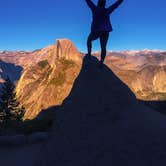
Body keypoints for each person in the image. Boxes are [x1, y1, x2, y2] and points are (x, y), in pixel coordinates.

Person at [85, 0, 124, 67]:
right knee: (103, 47)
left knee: (89, 40)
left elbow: (88, 2)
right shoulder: (107, 10)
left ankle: (89, 54)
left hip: (96, 31)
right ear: (104, 4)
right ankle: (101, 62)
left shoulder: (95, 8)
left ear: (98, 3)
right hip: (105, 31)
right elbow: (116, 5)